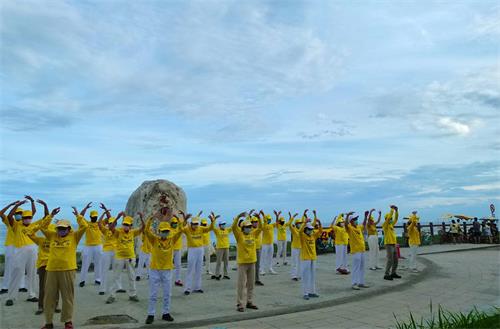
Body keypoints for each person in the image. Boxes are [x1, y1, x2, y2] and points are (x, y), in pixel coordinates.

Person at [40, 205, 84, 329]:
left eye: (64, 228)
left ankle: (68, 321)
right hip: (52, 270)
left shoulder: (74, 236)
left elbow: (85, 226)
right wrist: (51, 215)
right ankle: (48, 322)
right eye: (59, 228)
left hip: (68, 270)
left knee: (68, 297)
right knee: (49, 297)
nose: (61, 230)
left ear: (69, 229)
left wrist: (78, 215)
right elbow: (42, 227)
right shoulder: (52, 235)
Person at [143, 212, 182, 324]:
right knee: (153, 294)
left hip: (167, 270)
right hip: (155, 270)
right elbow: (146, 231)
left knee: (167, 293)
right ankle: (151, 314)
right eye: (163, 232)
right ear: (159, 232)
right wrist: (151, 218)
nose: (165, 233)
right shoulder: (154, 239)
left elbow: (180, 231)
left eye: (166, 231)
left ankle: (166, 313)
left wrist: (177, 219)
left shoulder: (172, 239)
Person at [5, 196, 42, 306]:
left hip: (33, 250)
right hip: (20, 251)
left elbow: (34, 211)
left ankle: (32, 295)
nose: (28, 219)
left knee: (32, 273)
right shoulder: (16, 225)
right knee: (17, 272)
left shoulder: (33, 224)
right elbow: (9, 216)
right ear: (22, 218)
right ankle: (11, 297)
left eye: (29, 217)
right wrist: (17, 205)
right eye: (25, 217)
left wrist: (32, 201)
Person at [105, 212, 144, 304]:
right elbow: (111, 228)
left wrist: (142, 218)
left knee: (132, 276)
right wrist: (117, 217)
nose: (125, 226)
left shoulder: (133, 232)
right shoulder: (118, 231)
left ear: (130, 226)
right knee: (116, 276)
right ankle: (112, 295)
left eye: (127, 225)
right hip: (119, 257)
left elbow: (143, 228)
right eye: (124, 224)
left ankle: (133, 294)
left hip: (130, 257)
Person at [232, 211, 262, 312]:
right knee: (241, 284)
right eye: (247, 227)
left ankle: (249, 301)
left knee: (251, 284)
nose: (249, 228)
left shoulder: (253, 234)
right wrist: (238, 217)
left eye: (250, 226)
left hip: (252, 262)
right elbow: (233, 228)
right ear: (243, 228)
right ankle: (240, 304)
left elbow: (261, 228)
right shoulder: (239, 235)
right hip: (242, 263)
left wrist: (259, 218)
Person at [180, 211, 214, 295]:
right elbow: (180, 228)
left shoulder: (201, 228)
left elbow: (210, 228)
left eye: (196, 224)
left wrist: (212, 221)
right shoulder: (187, 229)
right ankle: (187, 288)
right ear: (191, 224)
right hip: (192, 250)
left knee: (199, 269)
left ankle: (197, 287)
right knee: (190, 269)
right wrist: (185, 220)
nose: (195, 225)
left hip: (200, 249)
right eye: (194, 224)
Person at [0, 201, 27, 295]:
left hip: (21, 245)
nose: (18, 215)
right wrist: (11, 205)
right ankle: (5, 287)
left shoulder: (24, 224)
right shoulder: (10, 221)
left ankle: (21, 286)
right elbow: (0, 213)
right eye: (17, 213)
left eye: (20, 213)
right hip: (11, 245)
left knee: (21, 266)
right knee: (9, 266)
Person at [97, 205, 123, 296]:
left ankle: (119, 287)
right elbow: (99, 223)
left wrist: (119, 217)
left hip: (116, 251)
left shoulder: (118, 231)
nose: (111, 225)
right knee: (104, 270)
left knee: (117, 269)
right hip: (106, 252)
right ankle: (102, 289)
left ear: (115, 224)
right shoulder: (105, 230)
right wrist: (104, 212)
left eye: (113, 223)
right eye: (110, 223)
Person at [78, 203, 103, 288]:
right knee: (85, 263)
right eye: (93, 217)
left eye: (95, 217)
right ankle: (82, 280)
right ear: (90, 217)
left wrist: (105, 209)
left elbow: (109, 218)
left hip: (98, 246)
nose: (94, 218)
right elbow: (80, 216)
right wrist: (85, 207)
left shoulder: (100, 223)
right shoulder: (86, 223)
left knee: (98, 263)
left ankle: (98, 279)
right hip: (88, 246)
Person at [299, 210, 322, 300]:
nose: (311, 231)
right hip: (305, 258)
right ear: (306, 229)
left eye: (312, 229)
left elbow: (320, 231)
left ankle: (312, 292)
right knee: (306, 276)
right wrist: (305, 223)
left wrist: (319, 223)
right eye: (309, 229)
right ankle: (305, 293)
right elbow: (300, 231)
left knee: (313, 275)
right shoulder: (303, 236)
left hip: (313, 258)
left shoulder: (313, 236)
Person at [345, 212, 369, 290]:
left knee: (362, 267)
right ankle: (354, 283)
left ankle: (361, 282)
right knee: (356, 267)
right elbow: (345, 225)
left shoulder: (358, 227)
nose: (356, 220)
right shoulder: (350, 228)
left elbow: (364, 224)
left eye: (356, 219)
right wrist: (347, 216)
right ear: (351, 221)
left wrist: (365, 216)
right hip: (356, 250)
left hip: (362, 250)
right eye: (354, 219)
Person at [383, 205, 400, 281]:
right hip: (388, 244)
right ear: (386, 219)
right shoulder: (385, 225)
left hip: (393, 244)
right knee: (390, 260)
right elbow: (389, 217)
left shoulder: (391, 225)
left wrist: (396, 211)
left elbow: (396, 219)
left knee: (395, 259)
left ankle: (393, 272)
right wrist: (392, 210)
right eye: (390, 218)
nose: (391, 219)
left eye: (391, 219)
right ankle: (386, 274)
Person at [212, 215, 232, 280]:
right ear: (220, 225)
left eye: (224, 224)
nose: (224, 225)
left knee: (226, 262)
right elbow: (212, 227)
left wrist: (236, 220)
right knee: (219, 262)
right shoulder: (217, 231)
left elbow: (233, 227)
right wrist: (214, 219)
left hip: (226, 247)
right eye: (222, 224)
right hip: (219, 248)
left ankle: (225, 274)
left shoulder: (227, 230)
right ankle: (217, 275)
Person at [250, 212, 265, 286]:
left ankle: (257, 279)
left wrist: (259, 217)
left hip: (258, 248)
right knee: (251, 266)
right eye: (254, 222)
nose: (256, 223)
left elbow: (262, 226)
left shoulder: (259, 228)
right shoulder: (250, 230)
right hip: (252, 249)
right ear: (251, 223)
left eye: (257, 222)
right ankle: (250, 280)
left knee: (257, 265)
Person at [287, 212, 302, 281]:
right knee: (294, 262)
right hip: (294, 248)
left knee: (299, 262)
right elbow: (289, 224)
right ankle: (294, 276)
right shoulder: (294, 229)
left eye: (300, 223)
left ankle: (299, 275)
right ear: (296, 224)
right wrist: (293, 216)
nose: (300, 224)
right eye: (298, 223)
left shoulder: (301, 230)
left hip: (300, 248)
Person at [170, 216, 184, 287]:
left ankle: (178, 280)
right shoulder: (168, 230)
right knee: (169, 266)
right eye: (173, 223)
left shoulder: (179, 228)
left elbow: (182, 225)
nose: (175, 224)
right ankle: (167, 279)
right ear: (171, 223)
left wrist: (178, 219)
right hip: (170, 250)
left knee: (178, 265)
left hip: (178, 249)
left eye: (176, 223)